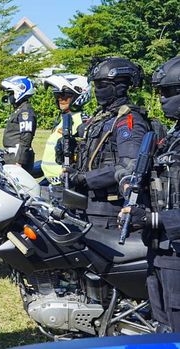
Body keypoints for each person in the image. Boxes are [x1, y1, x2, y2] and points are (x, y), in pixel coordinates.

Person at [120, 56, 180, 333]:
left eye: (168, 92)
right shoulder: (171, 135)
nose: (162, 100)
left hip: (175, 252)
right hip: (160, 249)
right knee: (162, 326)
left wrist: (154, 218)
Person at [71, 57, 149, 231]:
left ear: (120, 86)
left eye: (102, 85)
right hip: (85, 204)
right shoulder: (101, 117)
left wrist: (86, 178)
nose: (97, 90)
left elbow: (129, 165)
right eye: (96, 85)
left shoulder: (128, 120)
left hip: (107, 212)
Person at [40, 73, 90, 199]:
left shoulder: (81, 122)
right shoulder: (64, 119)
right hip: (51, 183)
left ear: (79, 95)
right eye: (57, 95)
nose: (60, 99)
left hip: (65, 185)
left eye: (65, 96)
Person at [1, 76, 37, 173]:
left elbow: (26, 137)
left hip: (17, 158)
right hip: (11, 155)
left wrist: (19, 161)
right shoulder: (19, 109)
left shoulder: (26, 111)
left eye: (11, 93)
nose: (9, 96)